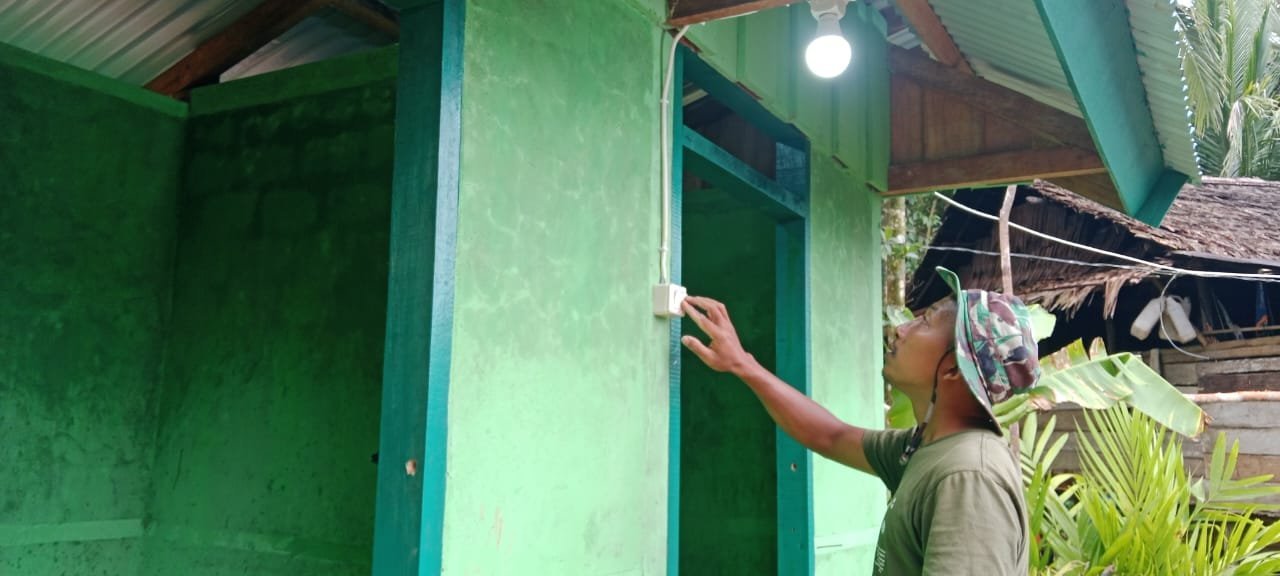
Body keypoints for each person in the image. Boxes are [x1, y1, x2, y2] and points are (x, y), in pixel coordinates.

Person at [680, 267, 1037, 575]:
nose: (902, 329)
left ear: (954, 370)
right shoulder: (928, 445)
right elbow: (831, 435)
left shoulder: (968, 477)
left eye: (925, 321)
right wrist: (742, 363)